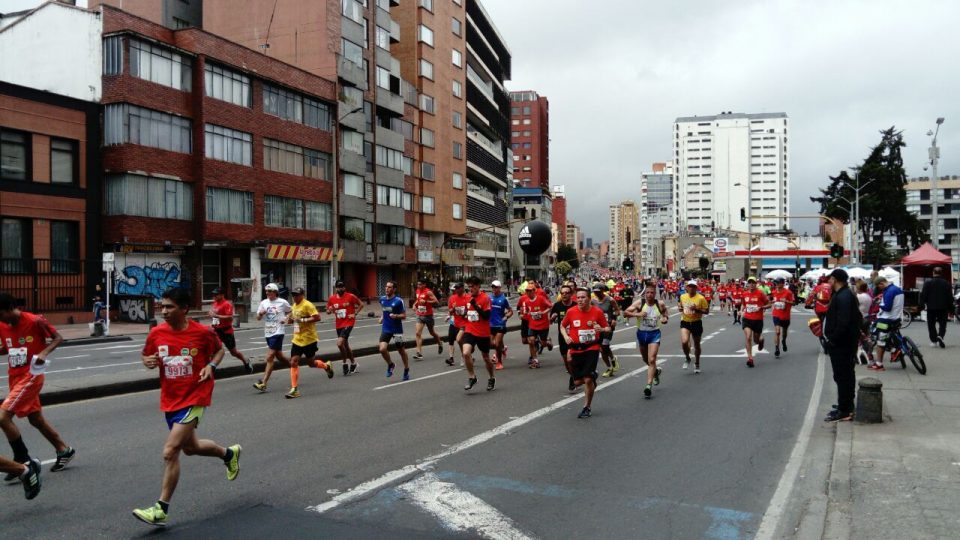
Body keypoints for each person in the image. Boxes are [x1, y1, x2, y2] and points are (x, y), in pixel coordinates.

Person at [133, 288, 241, 527]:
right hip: (171, 398)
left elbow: (220, 349)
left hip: (196, 396)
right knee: (191, 448)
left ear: (184, 309)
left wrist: (211, 366)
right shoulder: (157, 333)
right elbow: (145, 355)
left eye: (169, 307)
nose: (164, 311)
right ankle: (229, 454)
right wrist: (148, 361)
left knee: (170, 450)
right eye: (162, 307)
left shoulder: (202, 333)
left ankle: (161, 509)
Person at [0, 293, 75, 481]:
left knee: (2, 416)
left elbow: (58, 338)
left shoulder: (35, 321)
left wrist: (43, 353)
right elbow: (9, 347)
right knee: (36, 420)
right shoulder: (3, 325)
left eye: (1, 314)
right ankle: (63, 450)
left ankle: (22, 459)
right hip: (14, 377)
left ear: (10, 308)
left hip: (31, 375)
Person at [561, 288, 610, 418]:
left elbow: (608, 328)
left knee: (587, 379)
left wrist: (602, 328)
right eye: (578, 298)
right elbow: (562, 325)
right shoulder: (571, 312)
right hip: (575, 348)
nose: (580, 300)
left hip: (591, 348)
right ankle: (593, 375)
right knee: (577, 382)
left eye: (583, 297)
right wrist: (566, 336)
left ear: (589, 298)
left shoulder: (597, 312)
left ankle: (586, 407)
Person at [822, 269, 861, 422]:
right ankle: (844, 405)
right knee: (842, 376)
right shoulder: (843, 294)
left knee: (843, 376)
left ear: (834, 279)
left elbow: (843, 322)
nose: (828, 283)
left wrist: (832, 339)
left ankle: (845, 410)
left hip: (842, 344)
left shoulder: (844, 296)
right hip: (843, 343)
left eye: (830, 280)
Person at [285, 287, 334, 399]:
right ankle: (294, 389)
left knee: (311, 363)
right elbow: (292, 318)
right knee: (293, 361)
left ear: (302, 295)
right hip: (297, 339)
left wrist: (303, 320)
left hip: (309, 339)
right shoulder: (294, 306)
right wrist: (289, 319)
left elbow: (317, 317)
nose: (295, 297)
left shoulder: (308, 305)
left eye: (297, 295)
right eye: (293, 295)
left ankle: (326, 366)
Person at [625, 287, 669, 398]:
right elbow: (626, 313)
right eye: (647, 293)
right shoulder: (640, 303)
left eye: (652, 293)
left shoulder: (660, 304)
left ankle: (648, 386)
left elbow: (665, 312)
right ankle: (655, 372)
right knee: (646, 359)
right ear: (645, 294)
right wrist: (637, 315)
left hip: (654, 334)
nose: (649, 295)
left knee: (652, 359)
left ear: (655, 294)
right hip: (641, 334)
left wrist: (665, 318)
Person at [252, 283, 292, 392]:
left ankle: (263, 383)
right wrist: (260, 313)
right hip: (268, 332)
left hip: (278, 331)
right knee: (279, 356)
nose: (267, 293)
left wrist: (286, 318)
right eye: (266, 291)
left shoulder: (282, 302)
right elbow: (258, 318)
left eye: (269, 291)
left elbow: (292, 311)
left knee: (270, 357)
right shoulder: (264, 303)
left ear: (275, 292)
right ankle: (293, 367)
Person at [461, 277, 495, 391]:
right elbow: (467, 312)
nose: (471, 289)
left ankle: (491, 377)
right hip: (470, 330)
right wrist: (463, 313)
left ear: (478, 286)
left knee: (486, 358)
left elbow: (486, 316)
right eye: (469, 287)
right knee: (466, 353)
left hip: (483, 333)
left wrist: (475, 305)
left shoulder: (485, 298)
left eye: (473, 287)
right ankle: (472, 377)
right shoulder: (467, 298)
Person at [208, 288, 253, 374]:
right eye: (213, 295)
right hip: (217, 331)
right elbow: (215, 316)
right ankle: (210, 368)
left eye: (216, 295)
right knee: (213, 350)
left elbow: (230, 317)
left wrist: (217, 316)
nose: (214, 296)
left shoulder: (227, 304)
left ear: (222, 295)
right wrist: (214, 324)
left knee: (234, 352)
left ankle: (246, 361)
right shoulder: (215, 303)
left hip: (226, 332)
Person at [327, 281, 364, 375]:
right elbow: (328, 310)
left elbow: (361, 304)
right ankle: (353, 363)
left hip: (349, 322)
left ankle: (344, 363)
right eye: (338, 287)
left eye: (342, 287)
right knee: (345, 345)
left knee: (339, 344)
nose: (340, 289)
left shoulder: (351, 296)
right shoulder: (332, 298)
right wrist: (329, 310)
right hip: (339, 324)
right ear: (336, 288)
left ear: (345, 288)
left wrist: (355, 314)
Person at [869, 276, 904, 371]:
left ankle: (879, 364)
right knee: (887, 335)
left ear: (881, 283)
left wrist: (879, 303)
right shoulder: (897, 289)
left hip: (886, 320)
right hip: (897, 317)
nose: (879, 289)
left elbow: (887, 307)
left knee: (878, 338)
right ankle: (894, 348)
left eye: (879, 287)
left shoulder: (889, 291)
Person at [379, 281, 410, 380]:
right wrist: (382, 317)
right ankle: (391, 364)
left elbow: (404, 316)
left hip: (397, 330)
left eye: (389, 287)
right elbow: (385, 310)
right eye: (386, 287)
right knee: (382, 349)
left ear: (394, 289)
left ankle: (406, 369)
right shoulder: (382, 299)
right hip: (386, 328)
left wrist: (396, 316)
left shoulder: (398, 301)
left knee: (401, 351)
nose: (387, 289)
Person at [517, 283, 553, 368]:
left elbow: (550, 306)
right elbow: (525, 312)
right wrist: (522, 315)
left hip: (543, 325)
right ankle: (535, 360)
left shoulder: (541, 299)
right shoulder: (526, 301)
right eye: (527, 291)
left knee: (543, 344)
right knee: (531, 341)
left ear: (534, 291)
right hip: (533, 325)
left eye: (530, 291)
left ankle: (547, 343)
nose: (528, 293)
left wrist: (543, 312)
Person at [678, 280, 709, 373]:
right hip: (685, 322)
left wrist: (697, 309)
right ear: (687, 287)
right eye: (689, 286)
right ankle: (687, 357)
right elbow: (680, 305)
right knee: (684, 342)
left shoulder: (701, 298)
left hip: (696, 323)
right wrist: (680, 307)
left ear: (696, 288)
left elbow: (707, 311)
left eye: (693, 286)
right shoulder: (682, 296)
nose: (691, 288)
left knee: (697, 345)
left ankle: (697, 363)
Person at [550, 285, 577, 391]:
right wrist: (552, 318)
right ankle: (573, 375)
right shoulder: (557, 305)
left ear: (571, 294)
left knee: (572, 359)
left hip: (575, 337)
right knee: (566, 361)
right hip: (563, 337)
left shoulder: (575, 305)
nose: (564, 295)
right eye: (562, 293)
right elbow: (550, 321)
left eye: (566, 293)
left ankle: (574, 378)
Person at [591, 284, 621, 377]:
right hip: (597, 327)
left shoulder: (610, 300)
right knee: (602, 349)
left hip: (608, 326)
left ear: (603, 291)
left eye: (598, 291)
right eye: (595, 291)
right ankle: (611, 363)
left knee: (604, 346)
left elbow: (617, 310)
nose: (596, 293)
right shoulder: (592, 301)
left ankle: (610, 366)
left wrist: (614, 319)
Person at [740, 277, 770, 368]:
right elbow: (743, 304)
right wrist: (741, 311)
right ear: (748, 284)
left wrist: (762, 308)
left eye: (753, 282)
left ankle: (761, 340)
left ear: (756, 283)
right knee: (748, 337)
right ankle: (750, 359)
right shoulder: (744, 294)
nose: (751, 284)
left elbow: (769, 304)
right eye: (750, 283)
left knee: (756, 340)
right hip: (747, 319)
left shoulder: (761, 294)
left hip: (757, 320)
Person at [920, 266, 951, 348]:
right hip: (943, 307)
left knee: (931, 325)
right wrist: (951, 307)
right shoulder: (946, 283)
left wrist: (922, 304)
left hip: (931, 307)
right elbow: (949, 297)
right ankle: (940, 336)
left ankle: (934, 341)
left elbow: (924, 295)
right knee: (943, 324)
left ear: (933, 272)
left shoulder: (928, 282)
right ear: (941, 273)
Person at [412, 279, 443, 360]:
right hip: (419, 315)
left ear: (424, 285)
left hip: (428, 315)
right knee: (417, 333)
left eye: (420, 284)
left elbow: (436, 301)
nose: (418, 286)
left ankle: (440, 343)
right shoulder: (418, 291)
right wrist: (414, 304)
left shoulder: (428, 292)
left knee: (432, 332)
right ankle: (419, 353)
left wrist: (426, 301)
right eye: (418, 284)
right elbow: (418, 299)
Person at [489, 280, 512, 370]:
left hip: (500, 324)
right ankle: (503, 349)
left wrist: (506, 317)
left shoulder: (503, 299)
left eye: (495, 287)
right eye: (492, 287)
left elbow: (510, 311)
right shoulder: (489, 298)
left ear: (499, 288)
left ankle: (499, 362)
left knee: (496, 344)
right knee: (491, 344)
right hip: (490, 325)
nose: (494, 289)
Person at [770, 278, 795, 358]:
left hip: (785, 316)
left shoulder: (788, 292)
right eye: (776, 283)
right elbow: (770, 301)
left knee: (784, 333)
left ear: (782, 284)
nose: (776, 284)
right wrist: (771, 302)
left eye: (778, 283)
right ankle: (777, 348)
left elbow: (794, 302)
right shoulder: (773, 292)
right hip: (776, 314)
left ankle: (783, 341)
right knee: (777, 332)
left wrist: (786, 301)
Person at [445, 283, 469, 366]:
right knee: (454, 340)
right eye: (456, 288)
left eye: (458, 288)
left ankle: (464, 355)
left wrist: (465, 313)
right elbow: (450, 311)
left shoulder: (468, 297)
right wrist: (453, 309)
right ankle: (465, 354)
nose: (456, 290)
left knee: (458, 339)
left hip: (466, 323)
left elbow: (471, 309)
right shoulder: (452, 298)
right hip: (456, 323)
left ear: (462, 288)